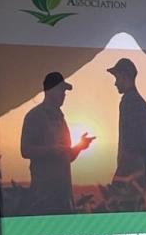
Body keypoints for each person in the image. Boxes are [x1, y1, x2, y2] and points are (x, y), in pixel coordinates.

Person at [19, 72, 93, 215]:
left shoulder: (61, 118)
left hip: (64, 198)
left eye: (64, 91)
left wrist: (80, 146)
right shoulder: (34, 116)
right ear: (50, 90)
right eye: (61, 90)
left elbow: (67, 156)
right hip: (44, 199)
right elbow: (25, 150)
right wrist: (51, 150)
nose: (64, 94)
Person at [106, 58, 146, 190]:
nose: (115, 83)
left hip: (131, 175)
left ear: (125, 77)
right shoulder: (141, 104)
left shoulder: (129, 102)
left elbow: (130, 145)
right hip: (139, 172)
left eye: (117, 78)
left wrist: (119, 180)